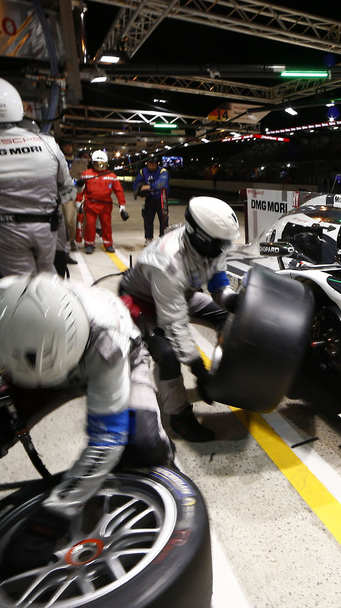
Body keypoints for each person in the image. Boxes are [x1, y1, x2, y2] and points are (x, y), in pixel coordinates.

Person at [0, 273, 173, 575]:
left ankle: (166, 484)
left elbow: (106, 439)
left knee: (143, 443)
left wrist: (54, 516)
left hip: (113, 360)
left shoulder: (108, 342)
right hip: (29, 370)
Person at [118, 197, 241, 441]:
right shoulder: (167, 261)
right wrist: (199, 369)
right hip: (140, 303)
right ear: (201, 237)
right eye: (220, 244)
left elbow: (218, 284)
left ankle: (223, 373)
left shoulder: (210, 242)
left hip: (179, 295)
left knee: (230, 317)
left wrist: (232, 301)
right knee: (167, 353)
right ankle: (179, 417)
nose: (222, 249)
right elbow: (174, 325)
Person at [0, 75, 75, 275]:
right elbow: (66, 186)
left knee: (21, 284)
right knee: (47, 276)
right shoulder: (47, 143)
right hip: (46, 227)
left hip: (4, 229)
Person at [78, 150, 128, 254]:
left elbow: (118, 190)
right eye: (97, 163)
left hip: (106, 205)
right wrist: (78, 201)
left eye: (102, 164)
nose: (100, 166)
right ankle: (89, 244)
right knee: (90, 225)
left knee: (106, 225)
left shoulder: (111, 176)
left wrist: (122, 204)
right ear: (93, 163)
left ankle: (108, 244)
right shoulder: (86, 174)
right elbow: (80, 189)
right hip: (90, 204)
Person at [133, 158, 171, 242]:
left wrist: (149, 186)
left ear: (156, 164)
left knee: (163, 219)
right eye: (149, 165)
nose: (151, 166)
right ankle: (148, 238)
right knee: (148, 219)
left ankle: (163, 238)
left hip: (162, 198)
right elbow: (136, 183)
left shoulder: (163, 171)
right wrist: (138, 192)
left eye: (153, 165)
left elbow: (162, 183)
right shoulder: (143, 171)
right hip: (150, 198)